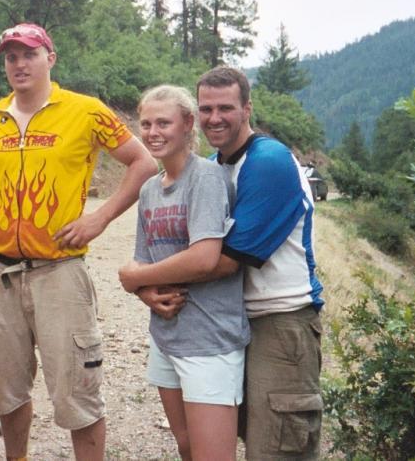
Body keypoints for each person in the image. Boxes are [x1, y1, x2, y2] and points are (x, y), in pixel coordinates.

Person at [0, 22, 158, 461]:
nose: (20, 64)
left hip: (60, 271)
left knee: (76, 390)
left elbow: (142, 162)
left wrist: (99, 218)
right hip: (2, 273)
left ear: (50, 58)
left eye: (29, 54)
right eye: (11, 56)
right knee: (7, 388)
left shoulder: (85, 110)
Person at [130, 67, 324, 460]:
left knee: (276, 449)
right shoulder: (218, 166)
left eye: (226, 108)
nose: (215, 117)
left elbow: (220, 262)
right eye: (207, 108)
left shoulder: (266, 161)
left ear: (247, 108)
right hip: (232, 319)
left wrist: (133, 279)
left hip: (279, 318)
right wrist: (148, 289)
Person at [117, 85, 248, 460]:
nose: (153, 132)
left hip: (210, 338)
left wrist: (135, 279)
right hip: (166, 336)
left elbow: (206, 256)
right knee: (187, 446)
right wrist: (142, 290)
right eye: (145, 123)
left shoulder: (206, 178)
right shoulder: (148, 191)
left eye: (163, 122)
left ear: (188, 124)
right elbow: (141, 261)